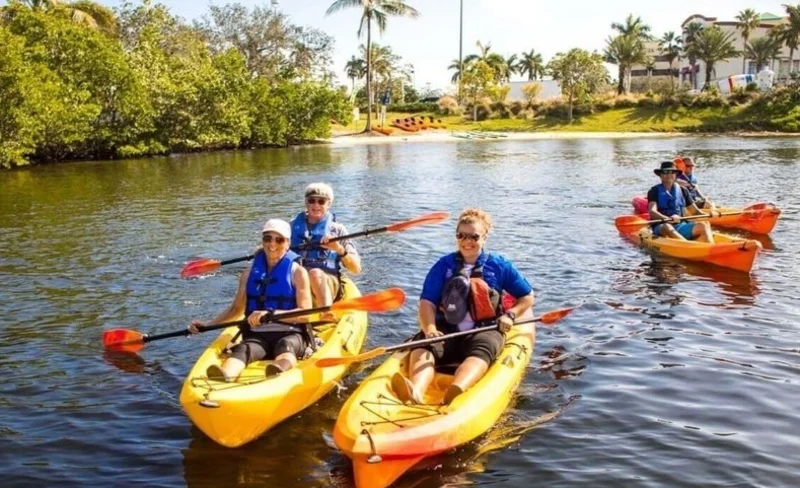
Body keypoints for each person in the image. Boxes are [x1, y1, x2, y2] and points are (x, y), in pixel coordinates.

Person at [392, 208, 535, 405]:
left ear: (485, 236)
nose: (467, 241)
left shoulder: (499, 265)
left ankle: (456, 389)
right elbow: (427, 302)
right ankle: (416, 390)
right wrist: (430, 329)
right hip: (447, 329)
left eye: (473, 237)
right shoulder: (443, 265)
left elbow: (527, 296)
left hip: (484, 330)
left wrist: (510, 315)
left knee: (482, 350)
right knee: (423, 345)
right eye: (461, 235)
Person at [188, 219, 313, 382]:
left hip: (290, 333)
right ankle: (223, 377)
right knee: (243, 349)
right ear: (263, 241)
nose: (272, 244)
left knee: (285, 346)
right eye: (268, 238)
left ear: (288, 243)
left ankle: (278, 372)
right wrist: (208, 325)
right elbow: (236, 309)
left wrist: (271, 314)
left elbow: (306, 315)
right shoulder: (248, 274)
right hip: (258, 334)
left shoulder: (298, 272)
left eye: (279, 240)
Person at [290, 183, 361, 309]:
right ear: (306, 202)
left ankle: (326, 313)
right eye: (311, 200)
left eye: (321, 201)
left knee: (315, 274)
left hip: (326, 278)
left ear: (329, 204)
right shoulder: (290, 227)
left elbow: (356, 269)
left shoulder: (338, 230)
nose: (316, 205)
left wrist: (339, 249)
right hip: (297, 278)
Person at [648, 161, 720, 243]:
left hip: (680, 225)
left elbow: (695, 212)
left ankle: (711, 246)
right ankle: (688, 245)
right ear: (660, 175)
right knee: (667, 226)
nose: (669, 175)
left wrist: (710, 214)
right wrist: (667, 219)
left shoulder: (683, 190)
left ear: (675, 174)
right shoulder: (654, 191)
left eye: (672, 172)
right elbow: (652, 211)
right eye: (665, 172)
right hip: (661, 227)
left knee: (703, 225)